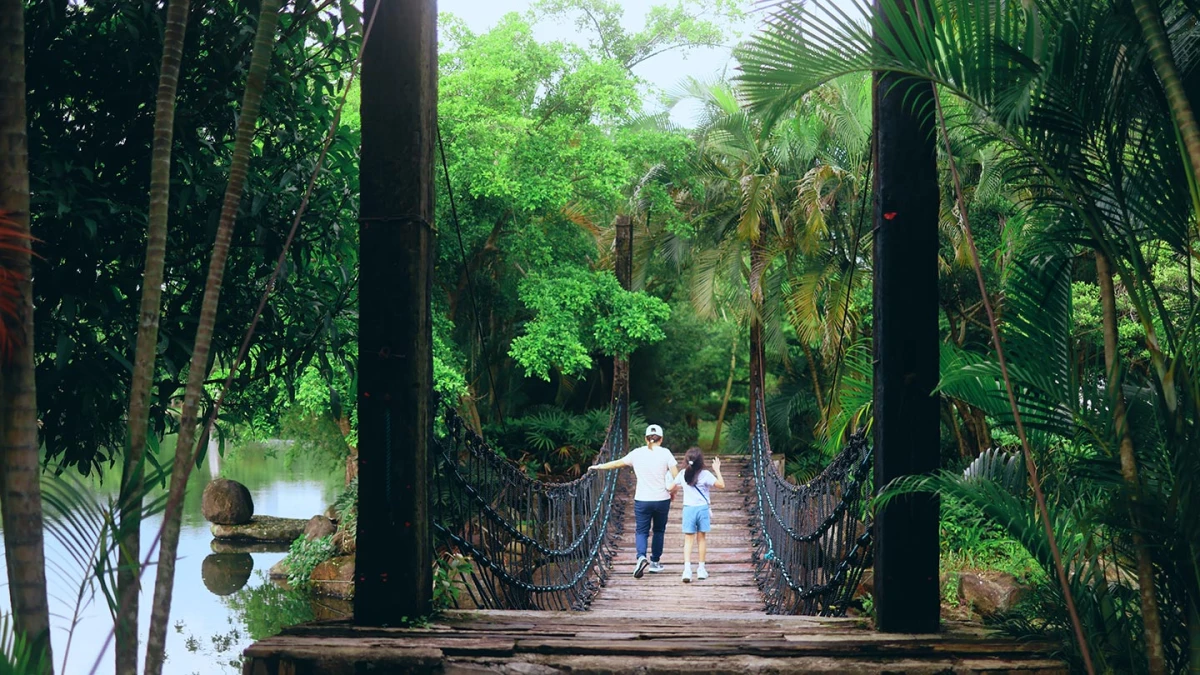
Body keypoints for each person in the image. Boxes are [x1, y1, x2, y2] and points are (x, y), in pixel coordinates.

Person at [589, 424, 678, 578]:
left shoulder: (637, 453)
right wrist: (673, 491)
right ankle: (655, 563)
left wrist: (598, 467)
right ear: (661, 439)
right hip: (662, 499)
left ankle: (641, 557)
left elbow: (616, 463)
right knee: (659, 530)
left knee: (642, 531)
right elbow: (677, 477)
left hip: (642, 500)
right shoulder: (666, 453)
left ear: (645, 438)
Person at [668, 447, 724, 583]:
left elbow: (670, 488)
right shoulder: (705, 474)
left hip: (688, 509)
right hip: (702, 509)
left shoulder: (682, 474)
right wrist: (717, 469)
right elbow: (721, 485)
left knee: (688, 540)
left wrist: (678, 484)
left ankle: (687, 570)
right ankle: (701, 569)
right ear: (701, 461)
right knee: (701, 539)